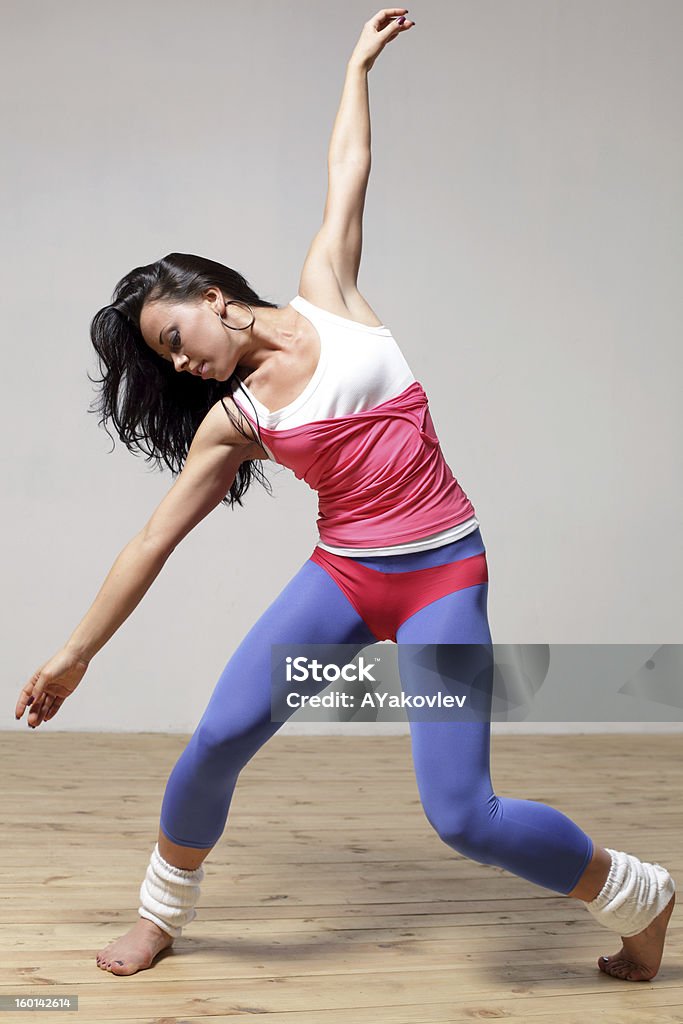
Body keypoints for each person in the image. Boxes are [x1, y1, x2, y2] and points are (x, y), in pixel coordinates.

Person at [15, 7, 675, 983]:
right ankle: (160, 912)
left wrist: (357, 64)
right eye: (164, 357)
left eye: (173, 333)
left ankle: (639, 893)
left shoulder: (327, 289)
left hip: (443, 573)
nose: (182, 358)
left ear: (206, 292)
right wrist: (72, 657)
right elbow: (152, 540)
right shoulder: (235, 419)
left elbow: (346, 167)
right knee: (217, 737)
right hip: (344, 579)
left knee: (462, 816)